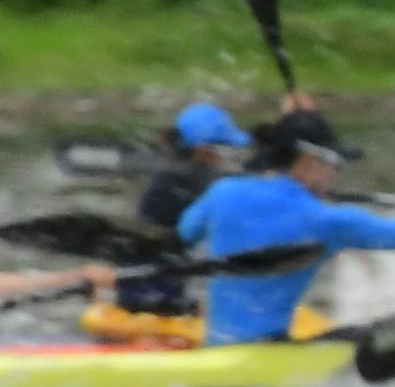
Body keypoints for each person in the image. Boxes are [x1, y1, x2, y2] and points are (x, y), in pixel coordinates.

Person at [176, 111, 395, 346]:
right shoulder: (328, 220)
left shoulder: (223, 192)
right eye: (334, 163)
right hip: (267, 351)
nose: (336, 174)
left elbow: (186, 231)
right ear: (309, 160)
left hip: (215, 346)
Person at [90, 102, 265, 340]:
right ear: (203, 150)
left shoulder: (178, 171)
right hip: (154, 297)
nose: (230, 157)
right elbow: (246, 194)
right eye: (227, 150)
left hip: (145, 286)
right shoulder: (188, 178)